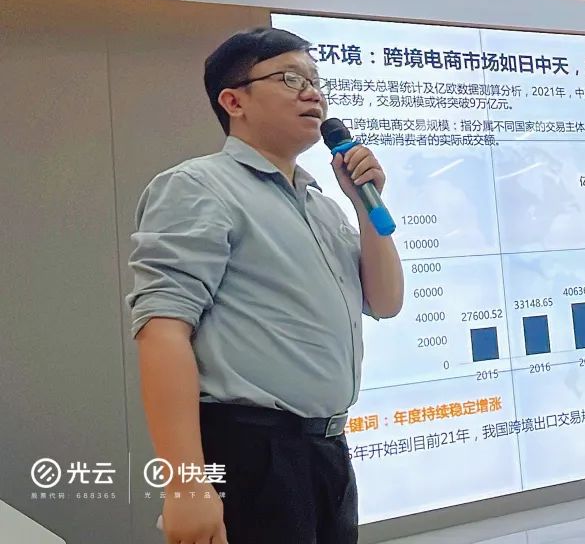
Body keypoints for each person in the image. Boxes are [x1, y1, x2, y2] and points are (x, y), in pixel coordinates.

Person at [127, 27, 404, 544]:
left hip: (327, 449)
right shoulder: (198, 187)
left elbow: (385, 301)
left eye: (315, 80)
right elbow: (162, 330)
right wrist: (185, 483)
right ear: (234, 101)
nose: (312, 93)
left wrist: (364, 203)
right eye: (291, 78)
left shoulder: (322, 205)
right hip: (252, 452)